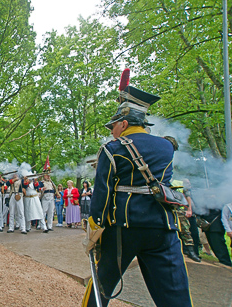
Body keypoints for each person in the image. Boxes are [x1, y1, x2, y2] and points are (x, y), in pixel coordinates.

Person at [82, 69, 192, 307]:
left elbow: (102, 195)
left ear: (123, 123)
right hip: (163, 226)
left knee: (102, 285)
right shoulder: (166, 147)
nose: (111, 131)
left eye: (113, 126)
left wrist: (95, 229)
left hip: (124, 228)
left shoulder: (112, 149)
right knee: (175, 293)